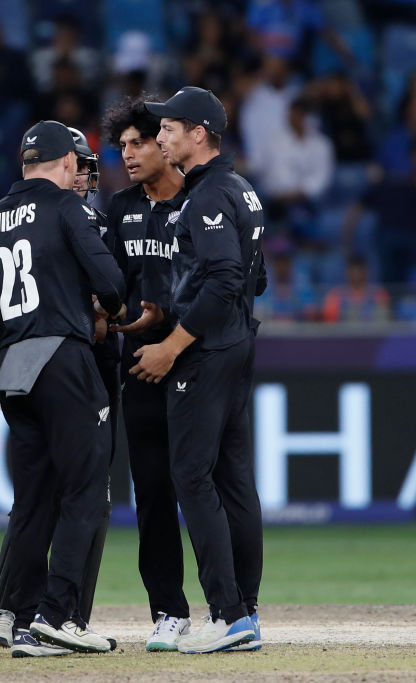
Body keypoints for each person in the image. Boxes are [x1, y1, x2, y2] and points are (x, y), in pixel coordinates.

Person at [0, 120, 125, 655]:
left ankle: (9, 612)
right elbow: (111, 283)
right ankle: (58, 615)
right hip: (63, 354)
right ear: (65, 162)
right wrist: (107, 309)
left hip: (13, 364)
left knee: (33, 495)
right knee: (86, 489)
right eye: (78, 165)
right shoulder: (67, 208)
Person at [135, 86, 266, 653]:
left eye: (170, 127)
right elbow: (254, 281)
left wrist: (173, 344)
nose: (160, 134)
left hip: (206, 353)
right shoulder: (241, 189)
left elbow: (226, 280)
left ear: (200, 134)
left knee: (192, 476)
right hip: (237, 344)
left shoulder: (208, 195)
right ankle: (247, 611)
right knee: (235, 482)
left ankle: (228, 615)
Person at [100, 94, 192, 651]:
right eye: (122, 147)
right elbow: (107, 285)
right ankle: (169, 611)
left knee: (208, 488)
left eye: (138, 143)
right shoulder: (118, 208)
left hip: (197, 362)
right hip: (139, 368)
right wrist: (113, 318)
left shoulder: (202, 200)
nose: (128, 155)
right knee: (153, 492)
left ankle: (234, 607)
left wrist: (170, 322)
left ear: (165, 141)